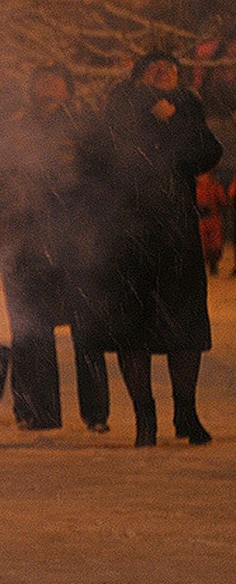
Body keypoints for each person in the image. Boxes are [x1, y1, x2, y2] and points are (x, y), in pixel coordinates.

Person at [89, 50, 222, 446]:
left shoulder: (186, 108)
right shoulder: (120, 110)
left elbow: (207, 154)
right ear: (139, 76)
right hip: (129, 234)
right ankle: (145, 418)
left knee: (185, 329)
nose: (164, 74)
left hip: (176, 235)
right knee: (134, 330)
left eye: (171, 70)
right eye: (155, 68)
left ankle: (186, 413)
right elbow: (102, 156)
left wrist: (176, 121)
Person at [2, 63, 111, 433]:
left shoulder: (84, 127)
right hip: (27, 240)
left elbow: (101, 178)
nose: (49, 86)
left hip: (76, 240)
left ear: (69, 88)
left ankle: (96, 413)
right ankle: (41, 411)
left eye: (57, 80)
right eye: (42, 80)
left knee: (88, 330)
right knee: (32, 330)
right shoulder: (16, 128)